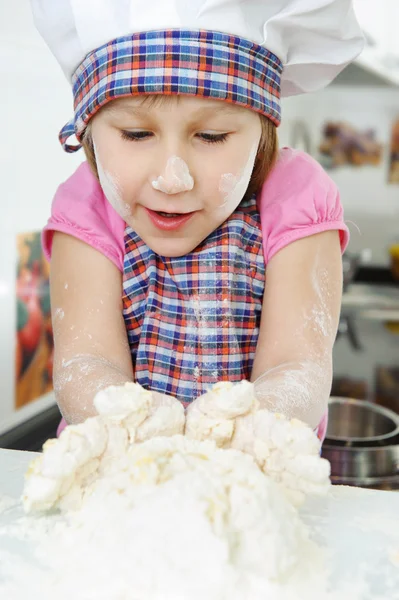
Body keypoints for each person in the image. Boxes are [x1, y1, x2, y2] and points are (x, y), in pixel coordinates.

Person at [31, 0, 364, 438]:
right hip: (116, 487)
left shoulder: (295, 195)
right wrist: (142, 432)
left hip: (254, 492)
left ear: (261, 129)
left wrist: (239, 435)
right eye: (136, 133)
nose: (173, 179)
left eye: (211, 136)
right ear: (88, 129)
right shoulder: (88, 204)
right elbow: (86, 364)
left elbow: (297, 365)